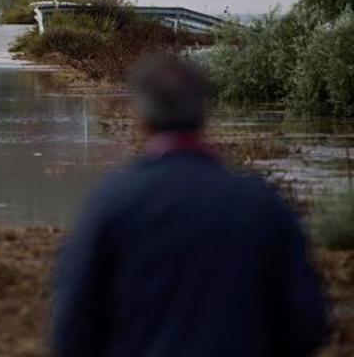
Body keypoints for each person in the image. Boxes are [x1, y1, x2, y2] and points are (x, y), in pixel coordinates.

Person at [52, 55, 330, 357]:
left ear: (139, 117)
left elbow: (71, 327)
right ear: (205, 112)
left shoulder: (109, 201)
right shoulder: (262, 202)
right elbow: (307, 323)